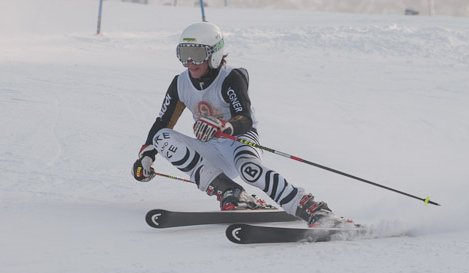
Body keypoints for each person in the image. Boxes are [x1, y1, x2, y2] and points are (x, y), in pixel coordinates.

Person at [132, 22, 351, 228]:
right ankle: (232, 192)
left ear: (214, 54)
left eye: (197, 55)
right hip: (210, 149)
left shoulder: (231, 78)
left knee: (250, 171)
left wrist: (223, 126)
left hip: (238, 140)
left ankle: (313, 209)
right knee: (162, 138)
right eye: (184, 54)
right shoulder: (180, 83)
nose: (190, 62)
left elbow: (244, 117)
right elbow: (162, 122)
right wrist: (147, 156)